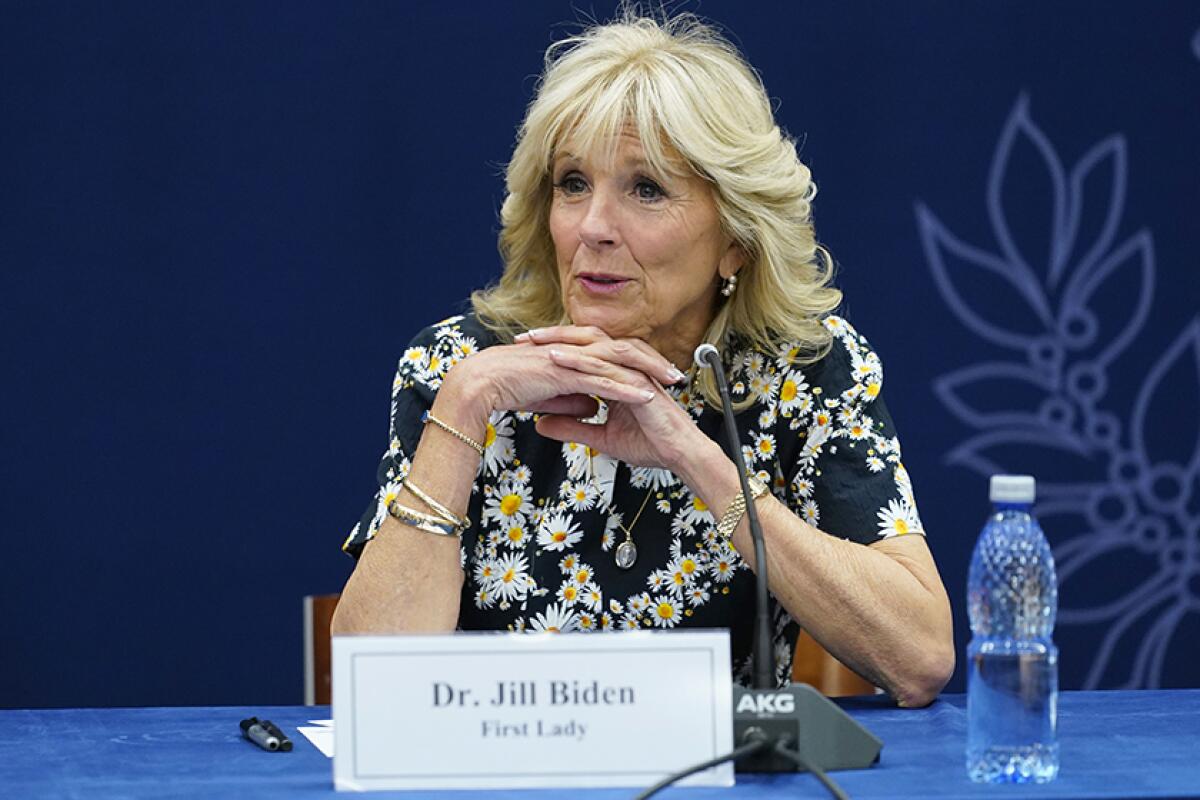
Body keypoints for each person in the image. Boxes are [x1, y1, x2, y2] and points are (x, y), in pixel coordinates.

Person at [332, 12, 954, 707]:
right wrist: (464, 406)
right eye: (572, 184)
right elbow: (374, 686)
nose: (594, 227)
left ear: (736, 241)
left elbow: (918, 657)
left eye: (647, 189)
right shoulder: (461, 363)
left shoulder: (800, 371)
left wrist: (702, 462)